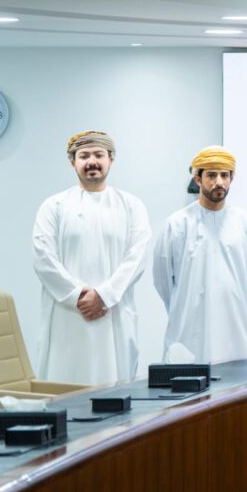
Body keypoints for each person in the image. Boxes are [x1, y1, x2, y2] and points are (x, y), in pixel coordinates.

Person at [32, 131, 151, 385]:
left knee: (116, 390)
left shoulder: (131, 205)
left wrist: (104, 295)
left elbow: (137, 256)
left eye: (98, 155)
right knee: (63, 386)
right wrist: (77, 295)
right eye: (84, 156)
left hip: (114, 312)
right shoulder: (54, 206)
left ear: (111, 159)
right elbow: (43, 257)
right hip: (67, 315)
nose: (92, 162)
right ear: (72, 162)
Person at [153, 145, 247, 364]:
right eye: (211, 175)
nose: (219, 182)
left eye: (224, 175)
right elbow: (163, 282)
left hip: (235, 329)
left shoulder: (245, 223)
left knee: (239, 382)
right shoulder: (177, 224)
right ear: (198, 179)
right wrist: (185, 304)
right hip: (189, 330)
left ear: (231, 178)